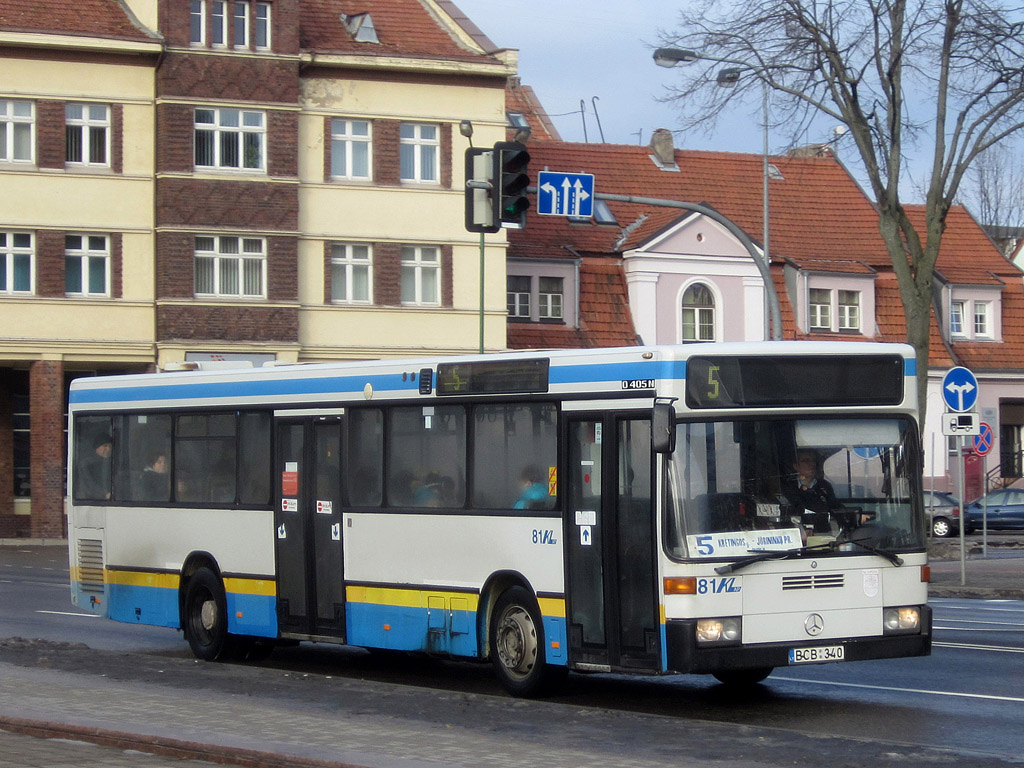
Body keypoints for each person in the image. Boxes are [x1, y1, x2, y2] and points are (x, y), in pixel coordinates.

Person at [782, 449, 845, 536]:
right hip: (797, 534)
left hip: (823, 534)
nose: (812, 464)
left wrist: (853, 516)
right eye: (806, 461)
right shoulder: (788, 487)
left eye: (813, 461)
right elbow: (790, 511)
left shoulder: (824, 486)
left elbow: (835, 507)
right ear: (796, 466)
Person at [77, 434, 112, 499]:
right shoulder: (86, 464)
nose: (108, 449)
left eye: (110, 446)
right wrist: (105, 493)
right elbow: (89, 484)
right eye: (105, 446)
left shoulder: (112, 463)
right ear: (97, 447)